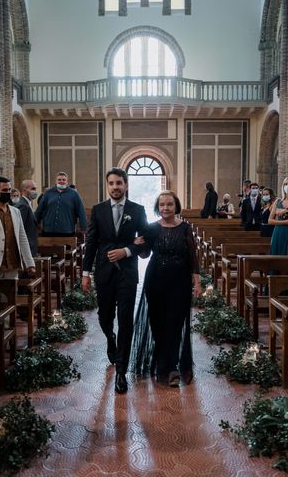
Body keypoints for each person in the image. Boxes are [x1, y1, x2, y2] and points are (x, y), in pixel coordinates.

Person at [81, 168, 148, 394]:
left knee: (126, 320)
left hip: (128, 273)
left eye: (119, 183)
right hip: (104, 272)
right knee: (105, 317)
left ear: (126, 185)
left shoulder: (137, 210)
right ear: (107, 186)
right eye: (111, 183)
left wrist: (127, 251)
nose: (115, 187)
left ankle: (121, 371)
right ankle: (110, 338)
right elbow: (90, 243)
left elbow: (145, 243)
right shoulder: (98, 210)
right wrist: (85, 273)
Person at [130, 191, 201, 387]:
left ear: (176, 206)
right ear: (157, 207)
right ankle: (162, 361)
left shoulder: (185, 228)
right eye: (162, 205)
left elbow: (193, 257)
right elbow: (144, 255)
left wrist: (197, 282)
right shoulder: (152, 229)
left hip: (180, 282)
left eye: (169, 204)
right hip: (156, 280)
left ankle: (171, 368)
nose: (165, 208)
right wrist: (138, 243)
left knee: (176, 323)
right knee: (157, 322)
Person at [35, 172, 87, 237]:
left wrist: (83, 228)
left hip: (67, 230)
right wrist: (36, 223)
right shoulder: (48, 193)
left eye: (64, 180)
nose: (61, 181)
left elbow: (81, 211)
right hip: (48, 230)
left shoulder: (74, 194)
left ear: (67, 182)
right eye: (59, 179)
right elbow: (40, 209)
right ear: (56, 182)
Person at [14, 179, 39, 258]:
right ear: (25, 190)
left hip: (30, 246)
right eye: (33, 189)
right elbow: (20, 228)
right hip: (27, 246)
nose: (35, 191)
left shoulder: (27, 204)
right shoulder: (23, 206)